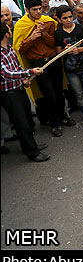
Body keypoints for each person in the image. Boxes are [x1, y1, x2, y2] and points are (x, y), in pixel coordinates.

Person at [12, 0, 75, 137]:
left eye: (40, 9)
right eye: (35, 10)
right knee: (49, 95)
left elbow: (54, 43)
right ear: (27, 10)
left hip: (53, 60)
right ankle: (55, 123)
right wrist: (32, 38)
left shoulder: (49, 22)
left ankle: (63, 117)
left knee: (59, 91)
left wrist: (44, 33)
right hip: (38, 64)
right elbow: (20, 49)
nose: (39, 12)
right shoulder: (21, 25)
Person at [0, 22, 49, 161]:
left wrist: (24, 79)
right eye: (10, 30)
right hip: (9, 94)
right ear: (6, 34)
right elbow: (6, 73)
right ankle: (32, 152)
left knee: (27, 119)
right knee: (21, 123)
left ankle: (30, 145)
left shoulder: (9, 48)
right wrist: (30, 71)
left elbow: (16, 68)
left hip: (19, 88)